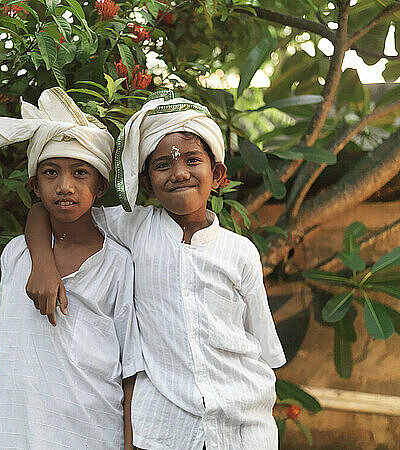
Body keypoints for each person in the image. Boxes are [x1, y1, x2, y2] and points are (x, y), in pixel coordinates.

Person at [25, 90, 287, 449]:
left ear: (218, 172)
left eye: (192, 160)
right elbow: (50, 209)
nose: (179, 173)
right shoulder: (134, 227)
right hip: (165, 428)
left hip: (243, 426)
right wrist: (43, 264)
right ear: (146, 181)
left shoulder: (240, 252)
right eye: (163, 165)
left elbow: (262, 346)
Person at [0, 87, 144, 449]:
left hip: (93, 430)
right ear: (35, 186)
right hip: (17, 430)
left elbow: (131, 366)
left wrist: (130, 442)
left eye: (80, 173)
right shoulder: (17, 255)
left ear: (99, 187)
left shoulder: (118, 263)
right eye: (51, 173)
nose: (65, 186)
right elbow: (2, 346)